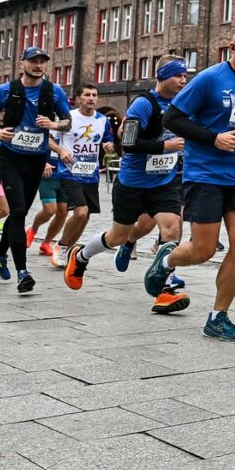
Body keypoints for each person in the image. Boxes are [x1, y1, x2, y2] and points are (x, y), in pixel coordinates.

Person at [143, 28, 235, 340]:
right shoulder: (209, 79)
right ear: (233, 47)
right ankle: (167, 258)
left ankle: (219, 316)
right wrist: (213, 138)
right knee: (203, 250)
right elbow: (172, 120)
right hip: (204, 174)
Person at [64, 56, 191, 315]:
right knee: (117, 236)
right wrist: (166, 146)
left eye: (185, 76)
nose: (183, 80)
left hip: (164, 181)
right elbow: (130, 143)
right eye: (178, 76)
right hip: (133, 183)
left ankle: (164, 290)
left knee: (171, 228)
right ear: (163, 77)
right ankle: (80, 256)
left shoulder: (183, 104)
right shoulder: (143, 104)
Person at [0, 47, 73, 293]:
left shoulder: (54, 92)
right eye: (33, 61)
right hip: (10, 158)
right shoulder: (6, 90)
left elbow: (67, 121)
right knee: (18, 210)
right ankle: (23, 272)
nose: (38, 65)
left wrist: (53, 124)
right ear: (22, 64)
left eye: (42, 61)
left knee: (18, 213)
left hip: (36, 160)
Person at [47, 83, 115, 263]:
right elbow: (48, 138)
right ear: (78, 99)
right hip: (68, 172)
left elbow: (109, 143)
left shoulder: (102, 120)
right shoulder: (68, 118)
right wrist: (61, 151)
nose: (91, 98)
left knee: (86, 216)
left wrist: (109, 147)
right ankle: (61, 246)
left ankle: (67, 249)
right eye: (87, 95)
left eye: (94, 95)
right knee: (81, 212)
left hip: (90, 174)